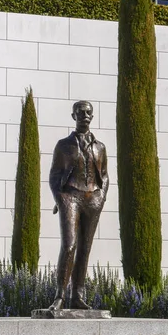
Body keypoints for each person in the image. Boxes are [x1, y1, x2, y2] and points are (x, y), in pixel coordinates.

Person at [48, 100, 109, 310]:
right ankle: (60, 296)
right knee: (69, 245)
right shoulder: (63, 146)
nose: (85, 115)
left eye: (88, 113)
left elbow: (104, 175)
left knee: (85, 248)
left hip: (92, 199)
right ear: (73, 116)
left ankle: (78, 296)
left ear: (92, 117)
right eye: (80, 112)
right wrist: (60, 197)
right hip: (70, 196)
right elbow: (54, 174)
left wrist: (101, 197)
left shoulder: (100, 147)